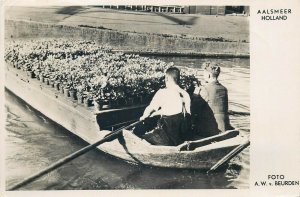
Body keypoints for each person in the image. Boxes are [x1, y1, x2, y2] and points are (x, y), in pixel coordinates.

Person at [139, 67, 191, 146]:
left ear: (166, 79)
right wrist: (156, 113)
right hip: (182, 136)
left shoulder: (162, 92)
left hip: (167, 137)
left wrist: (144, 116)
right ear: (177, 79)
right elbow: (178, 112)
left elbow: (150, 107)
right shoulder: (186, 94)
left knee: (142, 138)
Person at [193, 62, 233, 136]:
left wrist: (195, 95)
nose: (203, 75)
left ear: (208, 75)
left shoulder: (205, 89)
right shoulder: (224, 89)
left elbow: (194, 108)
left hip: (211, 128)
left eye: (204, 73)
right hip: (225, 125)